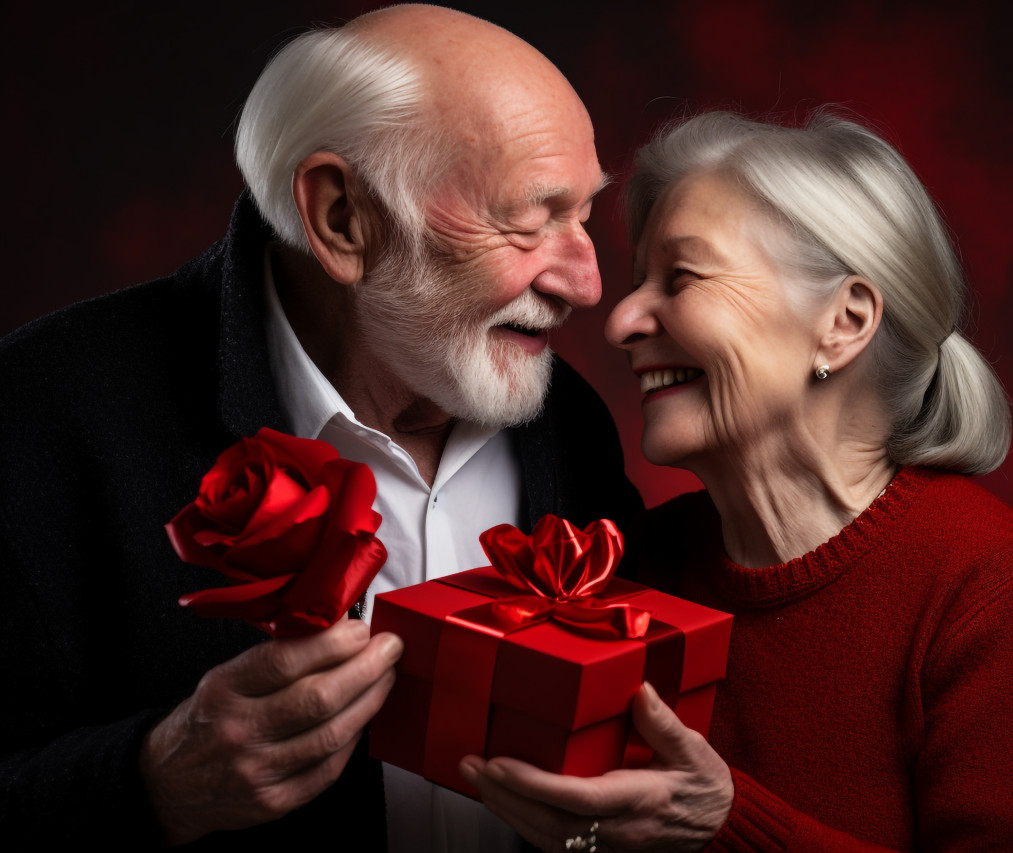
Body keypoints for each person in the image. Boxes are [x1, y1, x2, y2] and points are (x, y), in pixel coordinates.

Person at [0, 5, 639, 850]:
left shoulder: (570, 424)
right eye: (528, 219)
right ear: (341, 218)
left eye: (584, 216)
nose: (589, 284)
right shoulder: (39, 415)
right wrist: (154, 781)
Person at [461, 111, 1013, 851]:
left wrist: (725, 826)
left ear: (843, 321)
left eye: (682, 276)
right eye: (641, 282)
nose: (622, 319)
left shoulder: (993, 586)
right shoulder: (626, 566)